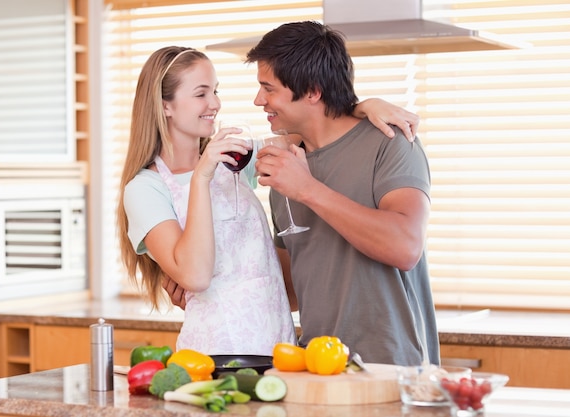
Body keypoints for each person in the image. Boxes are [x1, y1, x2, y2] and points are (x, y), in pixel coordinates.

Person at [117, 45, 421, 356]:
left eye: (216, 91)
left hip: (279, 348)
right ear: (165, 105)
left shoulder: (236, 158)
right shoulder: (145, 189)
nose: (215, 104)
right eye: (201, 94)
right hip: (216, 355)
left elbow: (313, 123)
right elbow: (195, 275)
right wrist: (201, 176)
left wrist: (365, 106)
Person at [249, 21, 440, 366]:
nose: (259, 100)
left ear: (312, 91)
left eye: (269, 88)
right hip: (318, 367)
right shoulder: (285, 166)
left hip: (393, 369)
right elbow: (291, 290)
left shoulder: (390, 142)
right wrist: (200, 287)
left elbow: (404, 246)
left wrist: (307, 189)